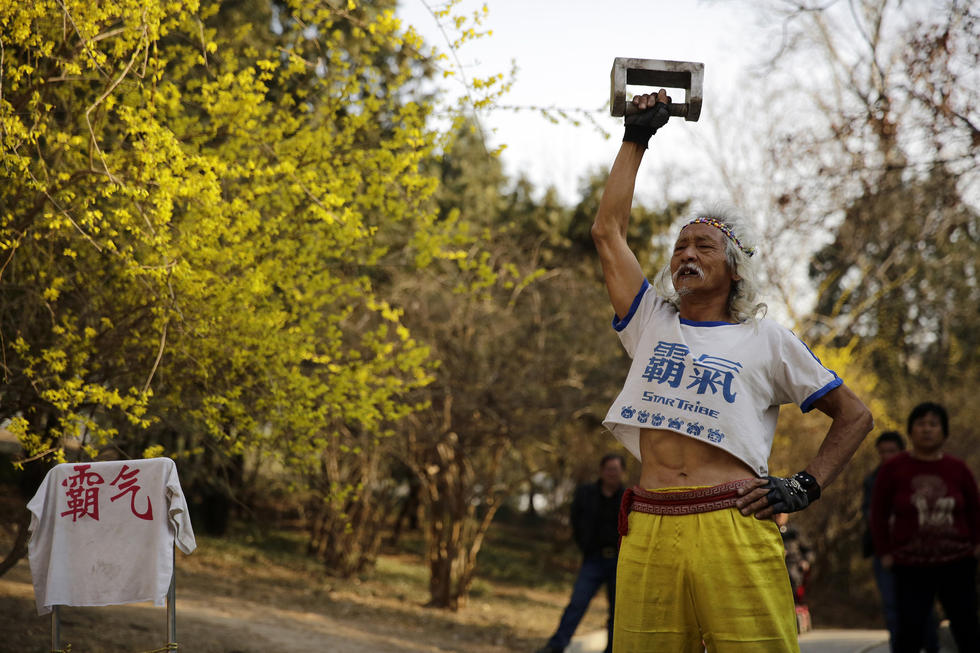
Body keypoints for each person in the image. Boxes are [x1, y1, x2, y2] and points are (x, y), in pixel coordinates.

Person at [591, 89, 874, 652]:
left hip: (735, 525)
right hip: (648, 527)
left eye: (704, 246)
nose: (686, 255)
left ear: (736, 268)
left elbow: (855, 416)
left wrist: (803, 486)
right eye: (679, 247)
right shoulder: (650, 320)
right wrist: (635, 138)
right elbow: (608, 233)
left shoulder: (766, 338)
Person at [870, 402, 980, 653]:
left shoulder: (958, 469)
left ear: (944, 431)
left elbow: (975, 509)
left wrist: (977, 545)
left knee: (967, 627)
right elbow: (878, 513)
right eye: (920, 424)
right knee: (909, 630)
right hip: (910, 565)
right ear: (910, 431)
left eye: (933, 424)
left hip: (957, 562)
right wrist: (885, 552)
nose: (927, 430)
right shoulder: (893, 469)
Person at [535, 454, 626, 653]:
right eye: (609, 469)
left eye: (616, 470)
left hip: (619, 562)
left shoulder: (628, 497)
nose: (612, 473)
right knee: (578, 602)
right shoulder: (586, 493)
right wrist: (584, 545)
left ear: (622, 473)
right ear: (602, 471)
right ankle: (556, 645)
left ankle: (612, 649)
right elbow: (576, 520)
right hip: (593, 558)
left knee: (617, 610)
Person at [861, 431, 939, 652]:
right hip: (884, 552)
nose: (886, 456)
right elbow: (870, 513)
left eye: (891, 451)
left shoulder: (918, 475)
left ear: (902, 451)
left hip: (918, 550)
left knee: (924, 605)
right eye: (882, 452)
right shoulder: (872, 480)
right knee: (892, 607)